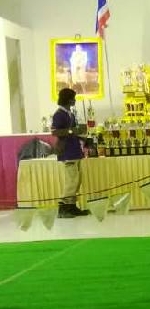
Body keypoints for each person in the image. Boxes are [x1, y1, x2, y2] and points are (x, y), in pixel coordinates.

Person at [50, 88, 90, 218]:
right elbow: (55, 131)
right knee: (71, 181)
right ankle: (63, 208)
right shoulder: (59, 114)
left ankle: (72, 206)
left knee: (77, 180)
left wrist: (82, 136)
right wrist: (72, 131)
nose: (75, 100)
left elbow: (74, 131)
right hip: (67, 151)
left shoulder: (70, 114)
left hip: (75, 150)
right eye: (73, 98)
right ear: (68, 99)